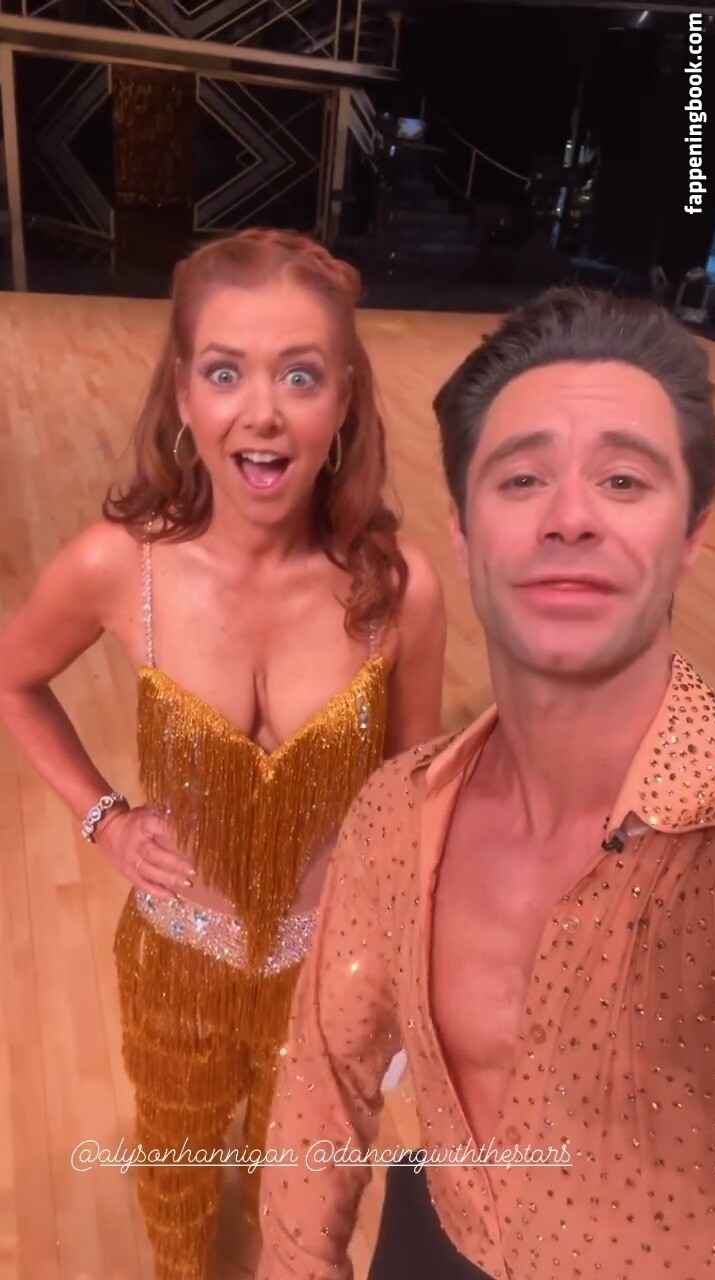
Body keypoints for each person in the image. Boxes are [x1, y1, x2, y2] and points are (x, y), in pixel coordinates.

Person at [0, 228, 446, 1280]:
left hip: (329, 970)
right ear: (183, 393)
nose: (262, 411)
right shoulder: (120, 566)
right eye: (225, 371)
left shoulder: (400, 589)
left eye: (300, 374)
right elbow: (14, 679)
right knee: (176, 1175)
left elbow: (416, 781)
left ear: (345, 398)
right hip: (174, 964)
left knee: (301, 1187)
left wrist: (394, 935)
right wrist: (103, 818)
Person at [257, 286, 715, 1280]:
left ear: (693, 530)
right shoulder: (398, 811)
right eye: (521, 479)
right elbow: (323, 1085)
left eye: (624, 479)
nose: (570, 518)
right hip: (441, 1236)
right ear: (464, 536)